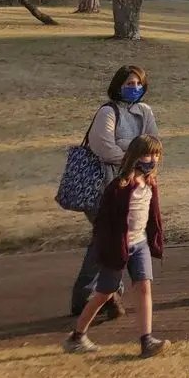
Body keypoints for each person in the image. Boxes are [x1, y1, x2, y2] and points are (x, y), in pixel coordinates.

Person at [63, 135, 170, 358]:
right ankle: (77, 336)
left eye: (156, 155)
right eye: (147, 155)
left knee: (144, 286)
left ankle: (147, 340)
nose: (152, 160)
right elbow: (103, 222)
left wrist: (155, 238)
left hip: (139, 244)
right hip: (117, 246)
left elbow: (153, 215)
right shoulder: (118, 187)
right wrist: (107, 248)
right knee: (104, 293)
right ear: (134, 157)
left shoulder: (150, 183)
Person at [70, 65, 159, 321]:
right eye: (129, 84)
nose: (134, 88)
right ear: (118, 85)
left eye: (138, 84)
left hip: (132, 188)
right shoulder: (107, 112)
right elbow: (104, 147)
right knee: (109, 239)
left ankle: (99, 295)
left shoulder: (145, 111)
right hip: (104, 188)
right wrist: (134, 156)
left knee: (108, 240)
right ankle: (99, 295)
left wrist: (134, 154)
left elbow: (153, 144)